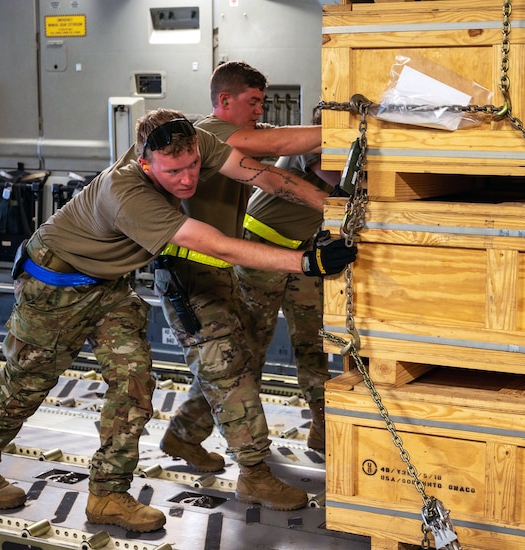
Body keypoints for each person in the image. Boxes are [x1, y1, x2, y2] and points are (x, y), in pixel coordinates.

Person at [0, 108, 356, 533]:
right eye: (174, 172)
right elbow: (218, 246)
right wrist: (307, 262)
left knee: (135, 382)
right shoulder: (127, 192)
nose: (188, 181)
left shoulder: (194, 144)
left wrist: (331, 205)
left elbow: (263, 175)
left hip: (109, 286)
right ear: (145, 163)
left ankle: (108, 494)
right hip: (54, 283)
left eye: (193, 167)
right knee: (25, 384)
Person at [156, 61, 329, 511]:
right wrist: (348, 127)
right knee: (234, 365)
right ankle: (246, 468)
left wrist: (324, 203)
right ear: (224, 101)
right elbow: (282, 145)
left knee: (241, 359)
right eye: (253, 101)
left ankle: (187, 436)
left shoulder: (230, 144)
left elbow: (273, 174)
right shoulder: (207, 132)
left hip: (242, 265)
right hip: (206, 269)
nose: (260, 109)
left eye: (262, 102)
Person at [236, 106, 342, 454]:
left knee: (313, 340)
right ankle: (190, 432)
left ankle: (323, 428)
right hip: (260, 248)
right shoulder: (312, 149)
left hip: (301, 253)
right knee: (250, 345)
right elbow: (341, 186)